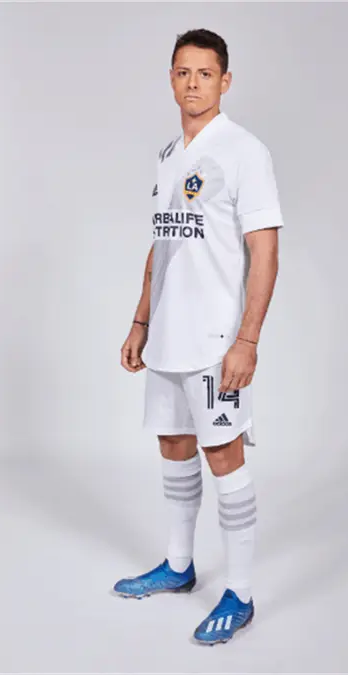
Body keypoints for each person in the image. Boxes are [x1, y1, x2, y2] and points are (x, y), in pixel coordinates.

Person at [114, 28, 283, 646]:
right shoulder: (168, 154)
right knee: (174, 443)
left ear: (225, 81)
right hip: (166, 335)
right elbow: (161, 245)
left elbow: (265, 251)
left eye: (205, 73)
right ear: (171, 79)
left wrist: (247, 340)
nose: (193, 83)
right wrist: (140, 321)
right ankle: (179, 566)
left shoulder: (244, 151)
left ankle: (239, 593)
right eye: (183, 72)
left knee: (223, 454)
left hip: (215, 340)